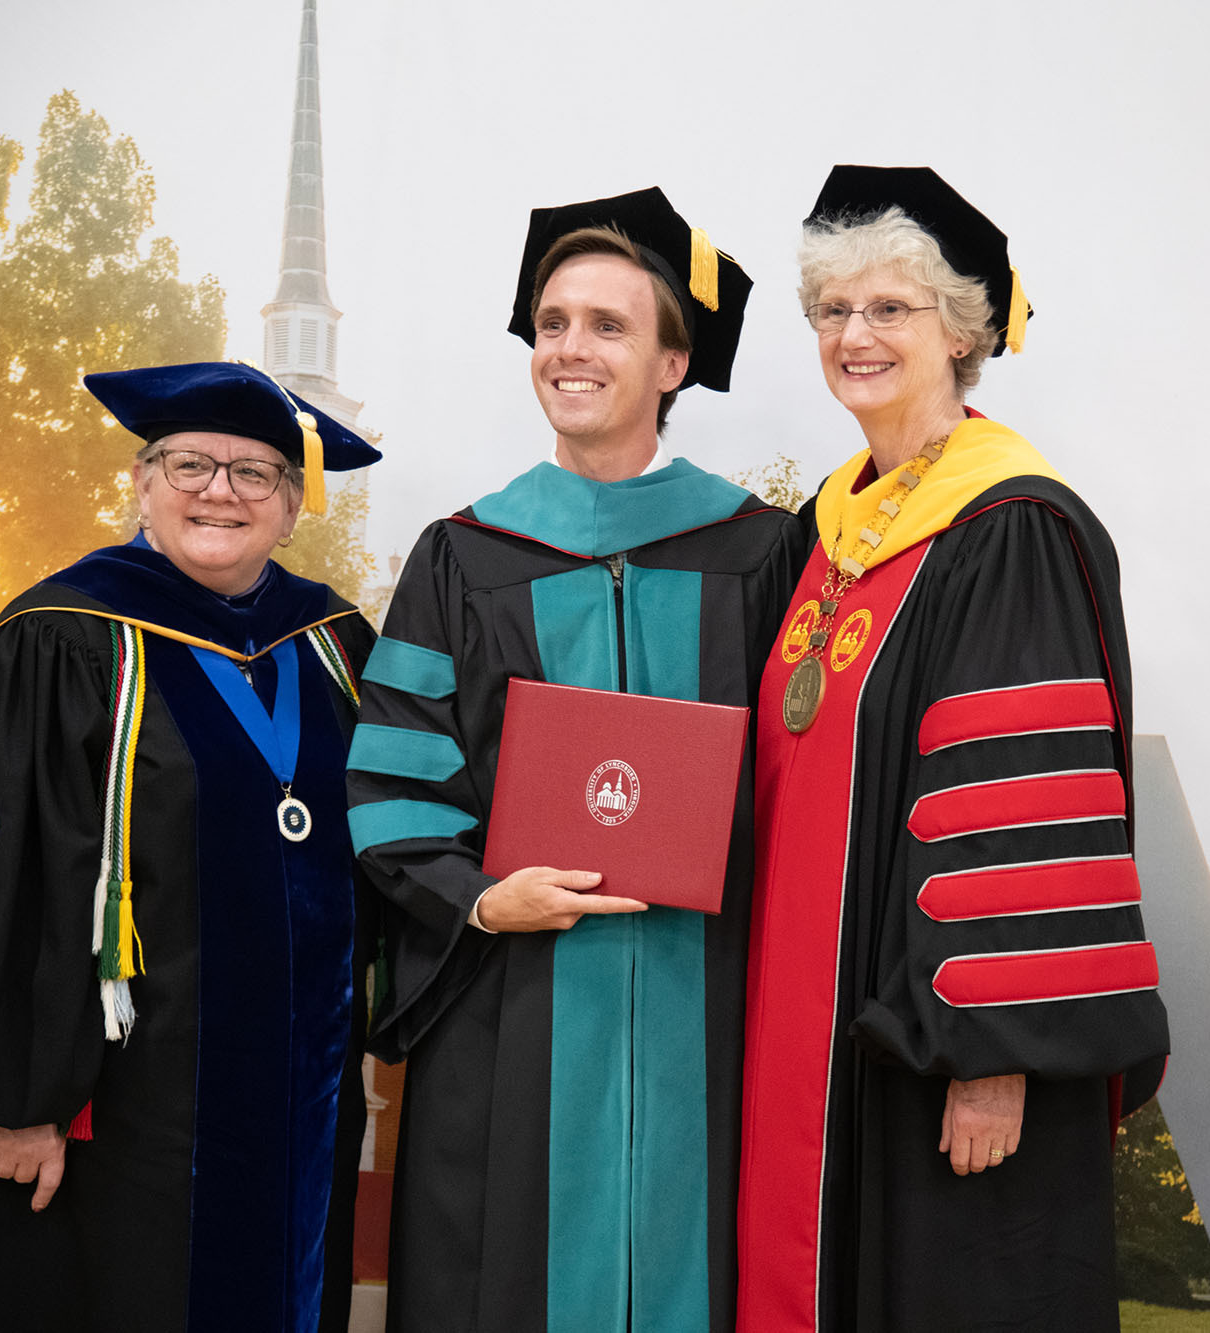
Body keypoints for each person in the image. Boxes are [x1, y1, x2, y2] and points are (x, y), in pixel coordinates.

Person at [0, 361, 382, 1332]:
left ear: (291, 507)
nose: (219, 489)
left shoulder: (335, 645)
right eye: (188, 464)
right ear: (140, 483)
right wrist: (11, 1098)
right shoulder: (63, 640)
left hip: (302, 1100)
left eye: (254, 473)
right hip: (122, 1114)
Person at [346, 187, 804, 1331]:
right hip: (513, 1008)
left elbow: (810, 783)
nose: (569, 349)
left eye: (607, 324)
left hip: (713, 1005)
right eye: (551, 323)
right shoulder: (465, 554)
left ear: (673, 361)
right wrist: (481, 898)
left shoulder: (763, 552)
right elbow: (395, 778)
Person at [737, 166, 1171, 1332]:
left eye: (890, 308)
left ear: (962, 331)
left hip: (940, 1053)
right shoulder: (823, 533)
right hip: (809, 1027)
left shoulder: (1007, 525)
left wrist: (994, 1053)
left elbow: (1016, 810)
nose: (854, 335)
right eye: (832, 311)